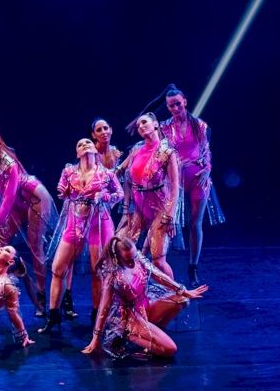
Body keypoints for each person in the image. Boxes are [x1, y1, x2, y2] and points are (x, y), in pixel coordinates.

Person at [0, 122, 58, 316]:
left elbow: (9, 196)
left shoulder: (8, 163)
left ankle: (41, 298)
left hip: (33, 199)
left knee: (35, 246)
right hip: (12, 206)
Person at [39, 138, 123, 333]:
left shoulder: (106, 174)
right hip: (74, 221)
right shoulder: (68, 171)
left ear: (95, 149)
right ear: (77, 153)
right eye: (80, 144)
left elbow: (119, 194)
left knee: (97, 271)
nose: (84, 144)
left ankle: (97, 316)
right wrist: (63, 192)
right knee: (57, 268)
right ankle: (53, 316)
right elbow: (63, 191)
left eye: (88, 142)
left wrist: (105, 196)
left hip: (98, 223)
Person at [82, 236, 208, 358]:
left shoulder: (138, 259)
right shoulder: (113, 277)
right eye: (128, 260)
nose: (133, 262)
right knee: (170, 349)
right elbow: (104, 308)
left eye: (134, 257)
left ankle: (157, 330)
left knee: (182, 299)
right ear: (118, 258)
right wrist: (96, 338)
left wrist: (183, 291)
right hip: (132, 318)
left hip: (146, 306)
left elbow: (158, 275)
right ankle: (128, 334)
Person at [160, 85, 225, 287]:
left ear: (185, 102)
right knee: (168, 223)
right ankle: (162, 267)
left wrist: (207, 169)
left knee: (195, 224)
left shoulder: (199, 125)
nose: (175, 108)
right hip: (174, 180)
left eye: (178, 104)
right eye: (171, 106)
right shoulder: (163, 127)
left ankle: (193, 267)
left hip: (198, 178)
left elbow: (206, 151)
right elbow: (160, 154)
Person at [116, 113, 179, 279]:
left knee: (158, 260)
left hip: (160, 209)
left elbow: (175, 187)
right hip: (139, 208)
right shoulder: (136, 150)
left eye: (144, 122)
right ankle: (136, 285)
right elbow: (119, 171)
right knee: (120, 246)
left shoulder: (167, 152)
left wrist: (170, 216)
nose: (141, 126)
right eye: (138, 126)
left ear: (155, 124)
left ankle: (175, 292)